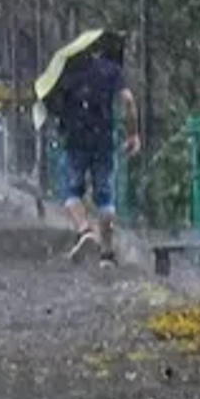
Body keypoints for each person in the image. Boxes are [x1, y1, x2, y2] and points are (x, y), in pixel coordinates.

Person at [52, 31, 140, 267]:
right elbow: (128, 101)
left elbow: (55, 102)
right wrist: (133, 134)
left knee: (71, 193)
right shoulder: (112, 71)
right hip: (103, 139)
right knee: (105, 197)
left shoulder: (70, 69)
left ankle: (84, 231)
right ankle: (107, 254)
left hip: (74, 139)